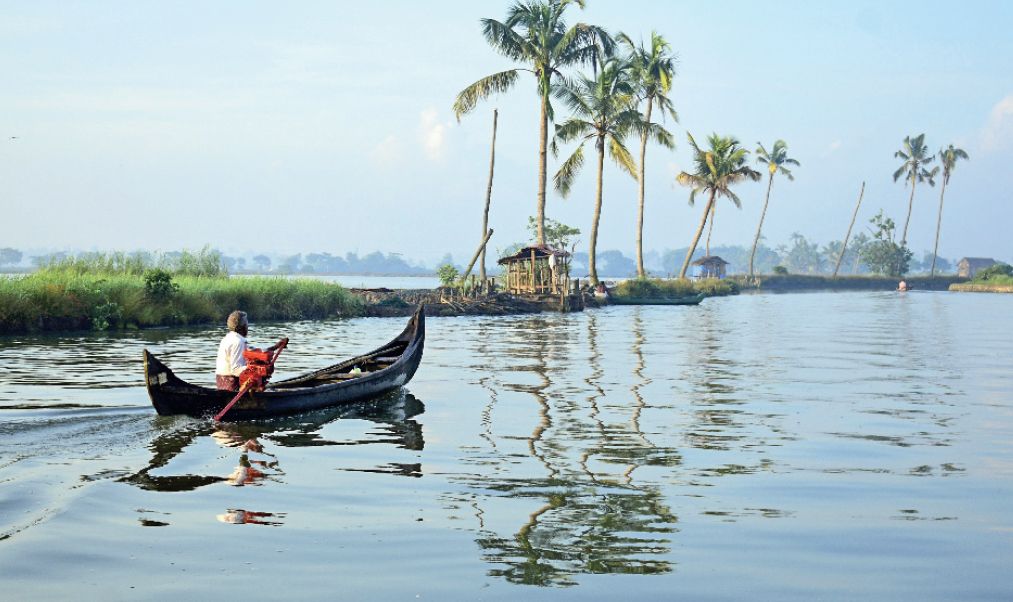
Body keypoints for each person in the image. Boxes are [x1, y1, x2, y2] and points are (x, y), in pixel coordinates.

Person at [215, 310, 286, 392]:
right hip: (231, 383)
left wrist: (276, 347)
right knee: (260, 369)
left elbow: (257, 352)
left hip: (221, 381)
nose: (247, 327)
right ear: (242, 326)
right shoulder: (238, 342)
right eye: (246, 324)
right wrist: (256, 369)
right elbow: (235, 370)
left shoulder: (228, 338)